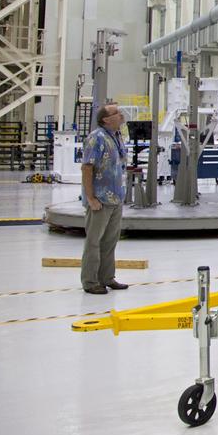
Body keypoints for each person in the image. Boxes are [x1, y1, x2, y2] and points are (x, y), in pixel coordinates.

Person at [80, 104, 130, 295]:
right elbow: (87, 168)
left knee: (110, 241)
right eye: (116, 113)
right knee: (94, 242)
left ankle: (107, 278)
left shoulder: (117, 137)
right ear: (106, 119)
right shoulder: (97, 138)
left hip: (115, 198)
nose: (121, 115)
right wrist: (91, 197)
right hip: (100, 199)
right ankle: (90, 281)